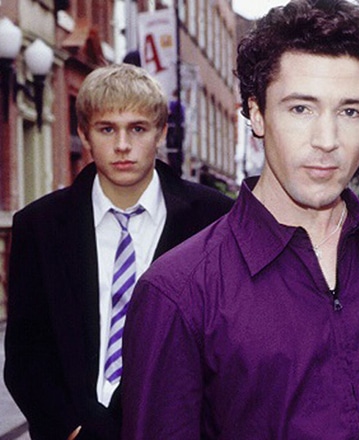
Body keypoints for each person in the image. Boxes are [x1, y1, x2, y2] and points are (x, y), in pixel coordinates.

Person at [121, 0, 359, 438]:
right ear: (257, 113)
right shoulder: (178, 293)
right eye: (301, 108)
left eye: (350, 111)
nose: (327, 140)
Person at [3, 63, 234, 440]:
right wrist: (72, 430)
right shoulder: (39, 225)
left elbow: (228, 346)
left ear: (161, 132)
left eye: (137, 128)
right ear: (84, 134)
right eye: (107, 129)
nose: (122, 145)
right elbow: (26, 353)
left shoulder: (215, 219)